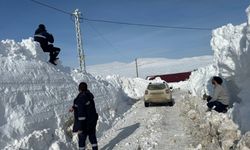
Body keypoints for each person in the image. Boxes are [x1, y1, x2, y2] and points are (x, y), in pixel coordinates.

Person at [69, 82, 99, 150]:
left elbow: (81, 113)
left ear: (79, 89)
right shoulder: (89, 96)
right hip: (92, 121)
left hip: (84, 124)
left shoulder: (81, 98)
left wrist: (80, 127)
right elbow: (84, 106)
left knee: (82, 141)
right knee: (92, 138)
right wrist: (74, 107)